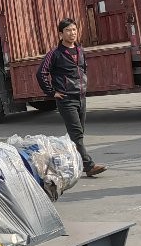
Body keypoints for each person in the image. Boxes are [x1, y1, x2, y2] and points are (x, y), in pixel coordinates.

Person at [37, 18, 107, 177]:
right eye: (68, 30)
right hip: (66, 99)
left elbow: (83, 70)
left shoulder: (80, 50)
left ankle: (65, 162)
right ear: (61, 34)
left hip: (81, 97)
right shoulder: (55, 54)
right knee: (77, 134)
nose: (72, 33)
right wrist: (52, 92)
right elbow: (41, 73)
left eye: (74, 30)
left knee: (77, 134)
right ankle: (89, 166)